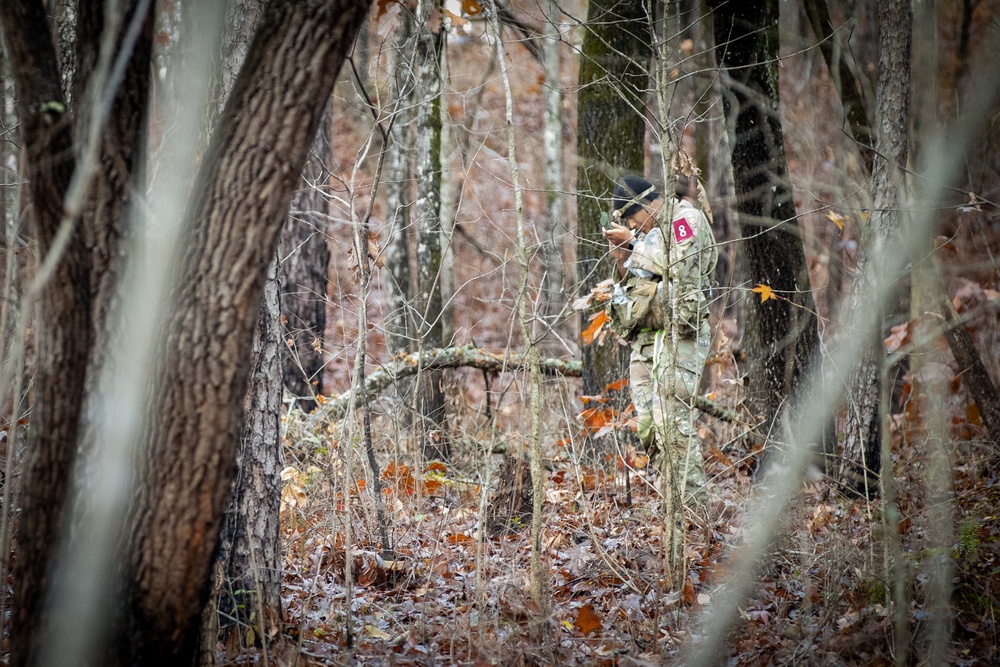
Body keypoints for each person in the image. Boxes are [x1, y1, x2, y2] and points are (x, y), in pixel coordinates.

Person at [602, 173, 717, 502]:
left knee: (673, 426)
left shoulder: (685, 219)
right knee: (649, 428)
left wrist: (634, 244)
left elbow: (680, 266)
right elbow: (631, 289)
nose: (633, 226)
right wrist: (622, 258)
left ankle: (693, 510)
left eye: (632, 218)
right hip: (647, 338)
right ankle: (672, 503)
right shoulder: (644, 236)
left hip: (681, 334)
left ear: (647, 205)